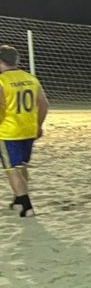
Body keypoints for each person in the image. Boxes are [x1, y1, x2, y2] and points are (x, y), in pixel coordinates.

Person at [0, 45, 49, 218]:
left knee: (11, 168)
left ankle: (26, 206)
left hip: (9, 132)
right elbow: (44, 104)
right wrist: (38, 125)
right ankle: (18, 198)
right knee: (21, 165)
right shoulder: (31, 78)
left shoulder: (2, 81)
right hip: (28, 130)